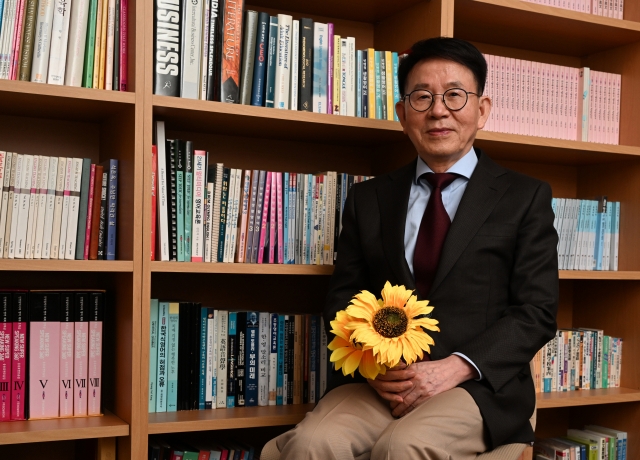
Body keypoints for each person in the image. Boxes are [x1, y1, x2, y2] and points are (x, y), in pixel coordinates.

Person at [273, 37, 558, 460]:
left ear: (481, 110)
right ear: (403, 113)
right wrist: (372, 369)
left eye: (455, 96)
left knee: (401, 447)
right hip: (382, 381)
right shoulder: (367, 199)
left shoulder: (524, 196)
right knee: (315, 444)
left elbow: (536, 312)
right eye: (422, 96)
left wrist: (454, 367)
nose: (438, 110)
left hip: (475, 385)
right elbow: (343, 298)